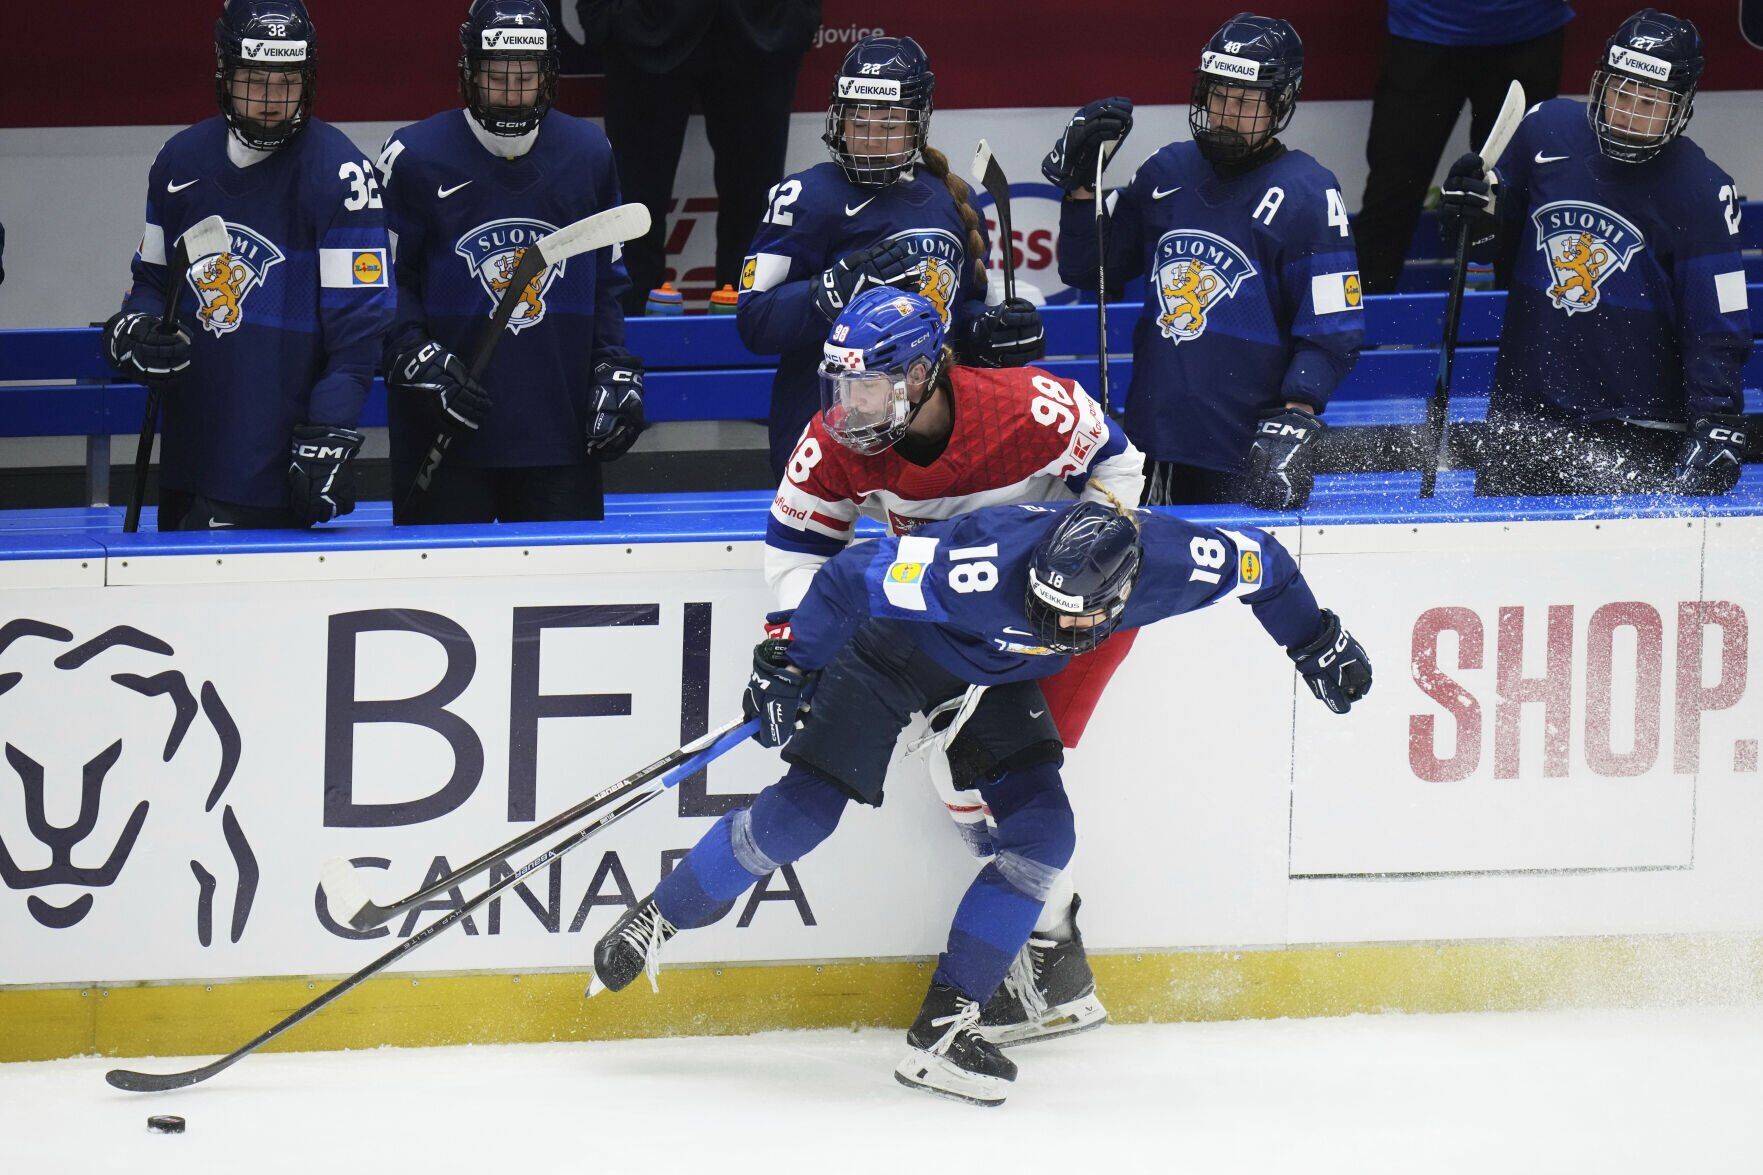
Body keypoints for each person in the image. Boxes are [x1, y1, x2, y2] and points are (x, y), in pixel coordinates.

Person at [588, 497, 1372, 1106]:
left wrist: (1315, 640)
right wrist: (789, 665)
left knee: (1042, 836)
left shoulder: (1173, 563)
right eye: (1044, 602)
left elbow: (1264, 562)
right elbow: (848, 573)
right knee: (805, 810)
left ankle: (945, 1025)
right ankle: (660, 914)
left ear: (1122, 594)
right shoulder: (970, 568)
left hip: (990, 676)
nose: (1056, 622)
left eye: (1073, 618)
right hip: (895, 654)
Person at [766, 286, 1146, 1044]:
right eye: (845, 386)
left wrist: (1086, 569)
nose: (853, 405)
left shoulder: (1031, 406)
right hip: (968, 625)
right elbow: (797, 549)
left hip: (1062, 622)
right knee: (966, 781)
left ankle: (1049, 956)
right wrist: (794, 649)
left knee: (986, 780)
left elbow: (1119, 463)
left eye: (871, 384)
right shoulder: (838, 440)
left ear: (922, 376)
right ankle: (1048, 953)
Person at [1050, 14, 1363, 511]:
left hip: (1249, 447)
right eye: (1217, 95)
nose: (1224, 112)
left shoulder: (1310, 191)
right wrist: (1080, 188)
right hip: (1155, 437)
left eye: (1243, 100)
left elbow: (1332, 326)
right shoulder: (1166, 169)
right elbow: (1091, 269)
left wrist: (1298, 410)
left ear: (1280, 103)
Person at [1438, 8, 1752, 496]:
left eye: (1651, 101)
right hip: (1524, 418)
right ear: (1599, 83)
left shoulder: (1703, 190)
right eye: (1620, 93)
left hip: (1640, 428)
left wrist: (1716, 416)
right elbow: (1489, 243)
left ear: (1683, 105)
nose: (1628, 113)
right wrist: (1469, 210)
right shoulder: (1545, 129)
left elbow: (1718, 326)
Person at [103, 0, 391, 530]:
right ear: (224, 73)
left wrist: (329, 434)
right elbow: (151, 280)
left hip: (276, 465)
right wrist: (136, 327)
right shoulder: (179, 160)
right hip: (189, 453)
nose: (270, 99)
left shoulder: (344, 176)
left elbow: (357, 339)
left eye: (286, 82)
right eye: (255, 79)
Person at [376, 0, 641, 525]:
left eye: (526, 75)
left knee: (564, 603)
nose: (512, 91)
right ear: (468, 72)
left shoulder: (588, 152)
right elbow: (386, 283)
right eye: (497, 75)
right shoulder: (411, 156)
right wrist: (413, 353)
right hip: (445, 433)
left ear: (549, 75)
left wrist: (611, 365)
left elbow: (606, 284)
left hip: (559, 433)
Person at [736, 34, 1045, 481]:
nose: (870, 139)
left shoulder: (952, 200)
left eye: (888, 125)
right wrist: (833, 290)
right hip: (833, 434)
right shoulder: (802, 197)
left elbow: (959, 312)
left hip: (933, 440)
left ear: (919, 123)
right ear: (837, 118)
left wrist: (987, 329)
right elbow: (755, 321)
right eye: (858, 122)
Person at [581, 0, 821, 314]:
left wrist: (799, 15)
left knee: (754, 200)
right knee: (635, 203)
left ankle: (748, 333)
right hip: (640, 24)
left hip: (765, 25)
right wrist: (603, 15)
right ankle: (625, 345)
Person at [1355, 1, 1572, 294]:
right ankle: (1357, 332)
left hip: (1528, 30)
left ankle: (1525, 333)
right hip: (1422, 30)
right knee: (1391, 196)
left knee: (1518, 200)